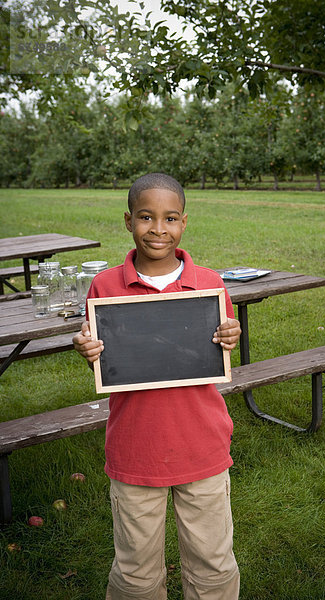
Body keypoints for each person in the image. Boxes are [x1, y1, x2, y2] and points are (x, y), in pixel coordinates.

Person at [73, 173, 241, 600]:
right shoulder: (106, 286)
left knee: (212, 565)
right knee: (135, 571)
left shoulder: (209, 284)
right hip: (136, 449)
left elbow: (218, 348)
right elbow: (104, 355)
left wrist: (229, 337)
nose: (158, 229)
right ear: (128, 220)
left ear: (184, 222)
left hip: (201, 444)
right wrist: (89, 349)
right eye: (146, 217)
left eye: (169, 218)